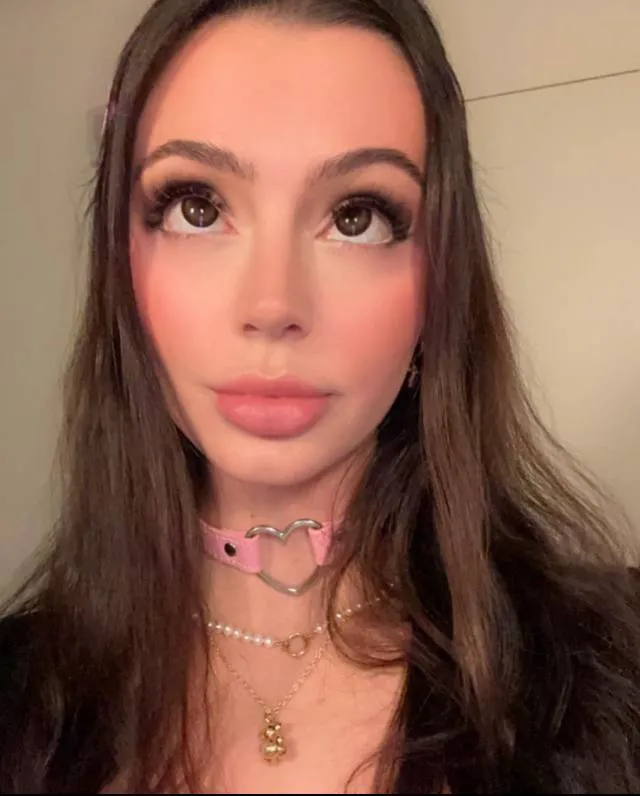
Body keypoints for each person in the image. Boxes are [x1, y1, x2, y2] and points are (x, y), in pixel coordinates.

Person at [1, 0, 639, 792]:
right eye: (198, 208)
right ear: (119, 265)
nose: (273, 303)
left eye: (357, 217)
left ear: (440, 281)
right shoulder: (19, 703)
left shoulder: (612, 672)